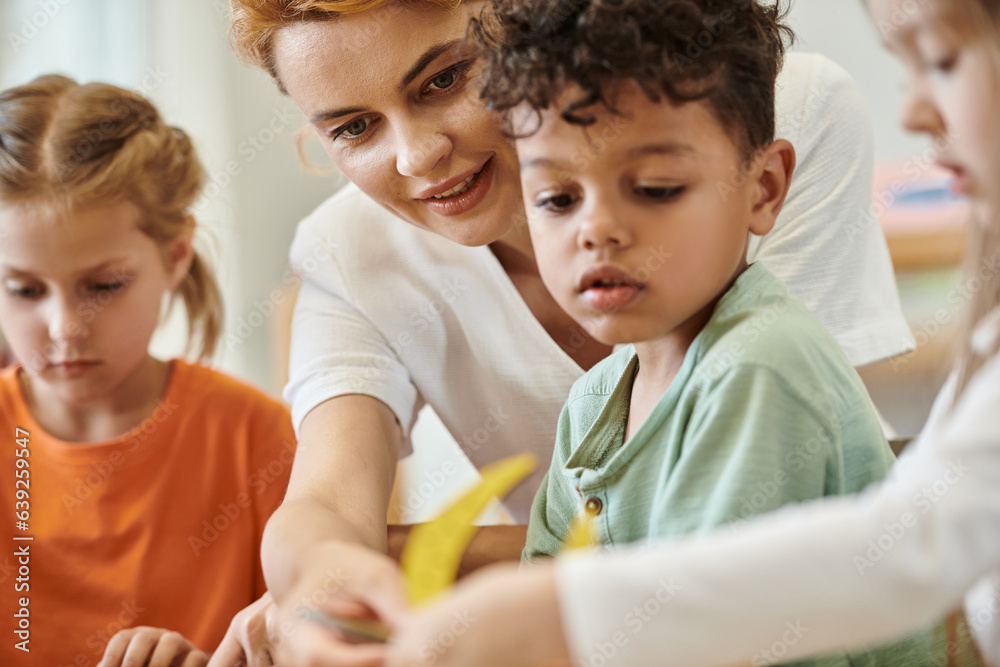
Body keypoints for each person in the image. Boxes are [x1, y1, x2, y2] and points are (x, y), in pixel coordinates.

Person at [225, 0, 913, 663]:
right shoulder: (589, 397)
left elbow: (746, 554)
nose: (418, 155)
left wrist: (414, 558)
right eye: (352, 127)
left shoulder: (757, 112)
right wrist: (323, 589)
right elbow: (326, 502)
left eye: (445, 79)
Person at [381, 0, 1000, 665]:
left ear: (764, 189)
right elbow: (548, 600)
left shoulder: (759, 368)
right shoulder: (593, 404)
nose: (597, 230)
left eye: (655, 188)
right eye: (558, 199)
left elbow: (722, 635)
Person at [0, 75, 294, 667]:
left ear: (175, 255)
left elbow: (310, 641)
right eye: (25, 290)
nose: (66, 327)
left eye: (104, 286)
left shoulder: (258, 440)